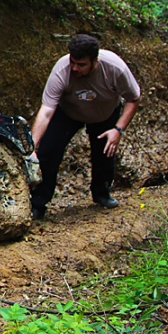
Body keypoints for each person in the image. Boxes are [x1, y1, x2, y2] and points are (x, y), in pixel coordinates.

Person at [29, 34, 142, 219]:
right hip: (68, 113)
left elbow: (134, 98)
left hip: (104, 115)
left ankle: (102, 193)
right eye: (73, 62)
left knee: (104, 154)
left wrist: (118, 130)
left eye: (81, 64)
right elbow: (47, 110)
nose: (75, 68)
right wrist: (32, 145)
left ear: (95, 61)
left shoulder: (115, 68)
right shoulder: (62, 70)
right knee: (48, 152)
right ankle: (38, 204)